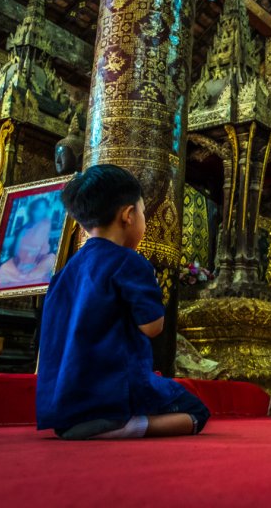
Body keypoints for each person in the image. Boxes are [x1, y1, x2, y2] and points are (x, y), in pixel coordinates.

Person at [36, 164, 210, 440]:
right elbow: (153, 327)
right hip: (114, 391)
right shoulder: (129, 262)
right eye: (143, 212)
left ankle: (93, 422)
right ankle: (128, 425)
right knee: (196, 411)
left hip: (64, 402)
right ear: (128, 215)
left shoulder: (64, 273)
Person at [0, 197, 55, 288]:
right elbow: (16, 251)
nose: (40, 212)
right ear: (32, 211)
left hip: (37, 264)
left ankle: (27, 277)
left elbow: (44, 250)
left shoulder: (46, 225)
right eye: (38, 209)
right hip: (20, 264)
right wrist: (21, 263)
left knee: (51, 259)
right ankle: (23, 277)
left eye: (43, 209)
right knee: (4, 268)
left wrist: (34, 263)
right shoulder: (24, 228)